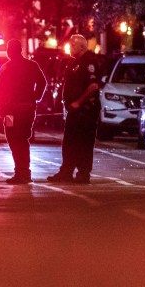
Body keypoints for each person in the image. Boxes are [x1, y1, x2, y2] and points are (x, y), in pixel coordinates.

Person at [47, 34, 101, 184]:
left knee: (84, 142)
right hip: (74, 110)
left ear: (81, 47)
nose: (70, 47)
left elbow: (93, 86)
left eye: (72, 45)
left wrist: (79, 102)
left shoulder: (89, 63)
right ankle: (66, 171)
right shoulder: (73, 62)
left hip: (86, 110)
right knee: (70, 141)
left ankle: (83, 173)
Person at [0, 39, 47, 184]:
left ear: (9, 51)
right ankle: (24, 172)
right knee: (23, 138)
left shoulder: (6, 67)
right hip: (27, 107)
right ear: (21, 50)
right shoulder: (31, 65)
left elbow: (0, 88)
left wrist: (0, 106)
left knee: (13, 138)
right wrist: (35, 97)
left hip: (11, 110)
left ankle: (20, 172)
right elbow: (42, 82)